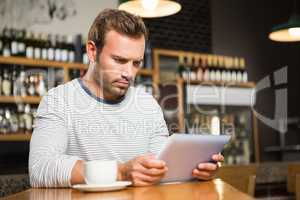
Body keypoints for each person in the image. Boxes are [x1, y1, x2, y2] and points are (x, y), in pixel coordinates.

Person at [29, 8, 223, 187]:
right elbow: (40, 168)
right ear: (92, 51)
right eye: (119, 60)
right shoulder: (59, 100)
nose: (129, 73)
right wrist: (120, 172)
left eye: (136, 63)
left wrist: (194, 170)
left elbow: (161, 166)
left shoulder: (148, 104)